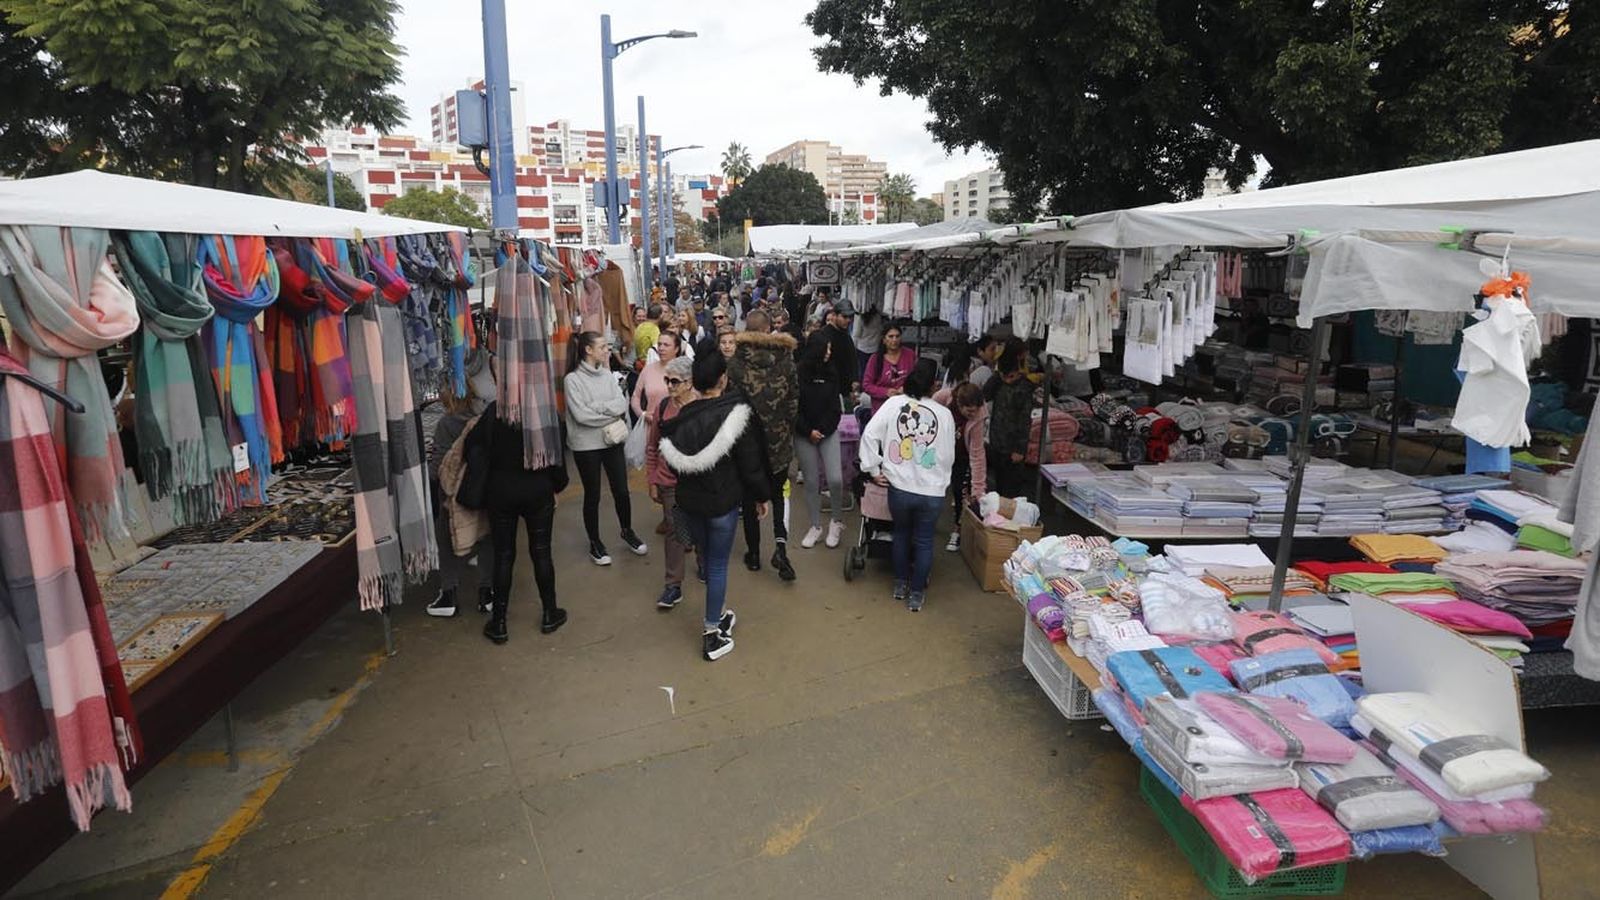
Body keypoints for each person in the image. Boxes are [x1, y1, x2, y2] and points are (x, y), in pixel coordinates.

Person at [660, 352, 772, 661]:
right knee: (718, 565)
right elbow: (750, 464)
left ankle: (719, 615)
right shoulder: (734, 414)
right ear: (723, 379)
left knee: (709, 559)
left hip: (690, 504)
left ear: (694, 382)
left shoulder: (681, 420)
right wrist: (761, 496)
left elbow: (673, 465)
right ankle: (711, 634)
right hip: (722, 504)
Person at [463, 402, 569, 642]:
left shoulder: (496, 409)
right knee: (542, 552)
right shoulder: (544, 408)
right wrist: (555, 485)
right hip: (538, 489)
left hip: (501, 491)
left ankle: (499, 623)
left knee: (503, 555)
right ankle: (550, 613)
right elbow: (558, 452)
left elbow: (471, 445)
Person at [860, 359, 955, 612]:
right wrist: (941, 483)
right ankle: (917, 594)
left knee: (901, 534)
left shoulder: (894, 404)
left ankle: (900, 584)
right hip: (931, 493)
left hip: (899, 487)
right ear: (934, 384)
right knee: (924, 541)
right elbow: (948, 456)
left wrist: (873, 469)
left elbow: (869, 435)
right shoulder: (944, 415)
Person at [727, 309, 800, 580]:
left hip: (748, 444)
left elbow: (730, 403)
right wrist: (786, 429)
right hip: (778, 441)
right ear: (769, 329)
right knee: (779, 495)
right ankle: (780, 547)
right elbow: (794, 400)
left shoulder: (736, 362)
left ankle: (755, 555)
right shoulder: (785, 357)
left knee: (748, 500)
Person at [564, 331, 648, 565]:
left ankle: (627, 530)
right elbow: (580, 416)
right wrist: (608, 412)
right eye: (602, 347)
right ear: (588, 350)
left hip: (612, 440)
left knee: (621, 489)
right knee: (592, 495)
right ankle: (595, 543)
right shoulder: (572, 380)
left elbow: (621, 404)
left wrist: (597, 408)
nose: (607, 351)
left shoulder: (607, 374)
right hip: (586, 446)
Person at [428, 389, 490, 617]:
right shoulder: (484, 415)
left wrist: (429, 483)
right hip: (481, 488)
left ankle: (449, 594)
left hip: (453, 493)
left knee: (445, 538)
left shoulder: (446, 423)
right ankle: (487, 593)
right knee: (487, 535)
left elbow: (438, 462)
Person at [794, 307, 853, 549]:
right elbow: (794, 407)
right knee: (811, 482)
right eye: (826, 348)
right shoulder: (799, 374)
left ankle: (836, 521)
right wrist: (808, 431)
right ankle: (816, 525)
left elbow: (834, 408)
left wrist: (824, 430)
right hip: (804, 433)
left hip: (827, 432)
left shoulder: (832, 372)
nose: (829, 352)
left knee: (835, 479)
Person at [645, 356, 695, 610]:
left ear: (689, 382)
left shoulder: (701, 406)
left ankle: (705, 564)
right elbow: (652, 446)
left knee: (700, 528)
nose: (669, 386)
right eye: (667, 380)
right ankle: (673, 585)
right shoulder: (663, 407)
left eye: (674, 381)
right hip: (668, 482)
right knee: (674, 532)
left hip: (697, 482)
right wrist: (652, 479)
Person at [933, 381, 988, 552]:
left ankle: (958, 530)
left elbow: (977, 454)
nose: (973, 414)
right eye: (969, 411)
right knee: (933, 489)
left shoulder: (978, 416)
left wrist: (978, 489)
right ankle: (927, 521)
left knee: (960, 492)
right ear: (959, 404)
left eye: (975, 410)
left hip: (962, 455)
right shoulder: (943, 397)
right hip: (939, 453)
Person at [985, 340, 1034, 498]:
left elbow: (1025, 419)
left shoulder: (1023, 386)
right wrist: (998, 376)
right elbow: (985, 394)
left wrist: (1020, 449)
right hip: (998, 442)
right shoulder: (999, 382)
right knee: (1001, 486)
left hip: (1011, 444)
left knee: (1010, 489)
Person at [862, 324, 918, 414]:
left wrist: (906, 388)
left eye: (897, 336)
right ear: (884, 339)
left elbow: (917, 378)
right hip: (882, 409)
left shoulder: (910, 355)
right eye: (891, 336)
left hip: (907, 407)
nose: (894, 340)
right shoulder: (875, 359)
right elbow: (866, 385)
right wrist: (885, 392)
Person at [632, 329, 683, 421]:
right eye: (659, 344)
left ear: (676, 349)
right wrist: (642, 414)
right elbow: (636, 397)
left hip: (677, 424)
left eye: (666, 345)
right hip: (650, 424)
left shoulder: (684, 371)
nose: (661, 348)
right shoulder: (648, 369)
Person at [854, 307, 886, 379]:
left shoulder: (860, 318)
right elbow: (880, 330)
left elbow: (857, 334)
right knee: (873, 370)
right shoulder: (878, 317)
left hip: (862, 348)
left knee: (863, 370)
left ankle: (864, 384)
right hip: (875, 347)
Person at [634, 303, 663, 367]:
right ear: (660, 316)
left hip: (639, 362)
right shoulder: (654, 329)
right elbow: (657, 348)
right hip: (649, 363)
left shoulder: (640, 326)